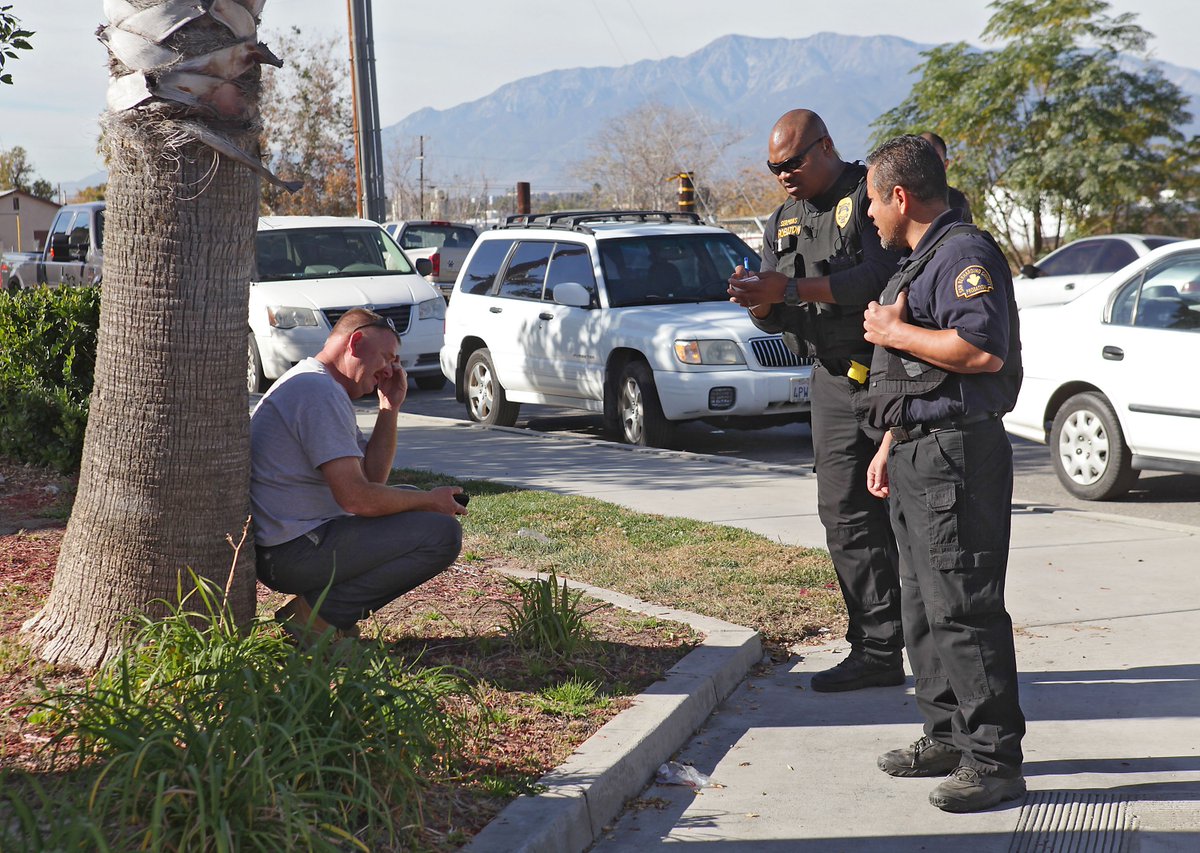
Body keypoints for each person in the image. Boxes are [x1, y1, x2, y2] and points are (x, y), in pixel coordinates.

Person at [861, 134, 1025, 813]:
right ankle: (948, 734)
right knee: (922, 603)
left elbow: (979, 350)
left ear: (900, 196)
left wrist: (893, 332)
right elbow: (922, 374)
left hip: (957, 454)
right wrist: (889, 439)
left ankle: (993, 756)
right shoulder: (921, 257)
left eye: (872, 200)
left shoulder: (962, 254)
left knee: (962, 603)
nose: (868, 212)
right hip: (919, 449)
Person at [728, 108, 905, 692]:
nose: (783, 175)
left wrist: (794, 289)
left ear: (826, 146)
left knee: (910, 514)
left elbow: (882, 275)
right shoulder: (781, 220)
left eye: (793, 162)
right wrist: (759, 302)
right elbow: (778, 313)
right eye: (774, 167)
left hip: (892, 374)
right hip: (831, 380)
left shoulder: (871, 195)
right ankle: (875, 650)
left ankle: (934, 648)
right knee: (845, 517)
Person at [250, 307, 467, 642]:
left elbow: (372, 481)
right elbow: (356, 498)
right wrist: (429, 500)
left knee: (414, 505)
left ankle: (317, 616)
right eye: (387, 357)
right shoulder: (317, 392)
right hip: (292, 553)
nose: (392, 369)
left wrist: (389, 408)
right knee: (441, 533)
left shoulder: (317, 384)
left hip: (294, 545)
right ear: (354, 343)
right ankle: (313, 623)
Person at [919, 132, 973, 224]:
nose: (927, 166)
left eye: (935, 161)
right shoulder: (899, 198)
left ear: (945, 165)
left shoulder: (958, 202)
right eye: (921, 159)